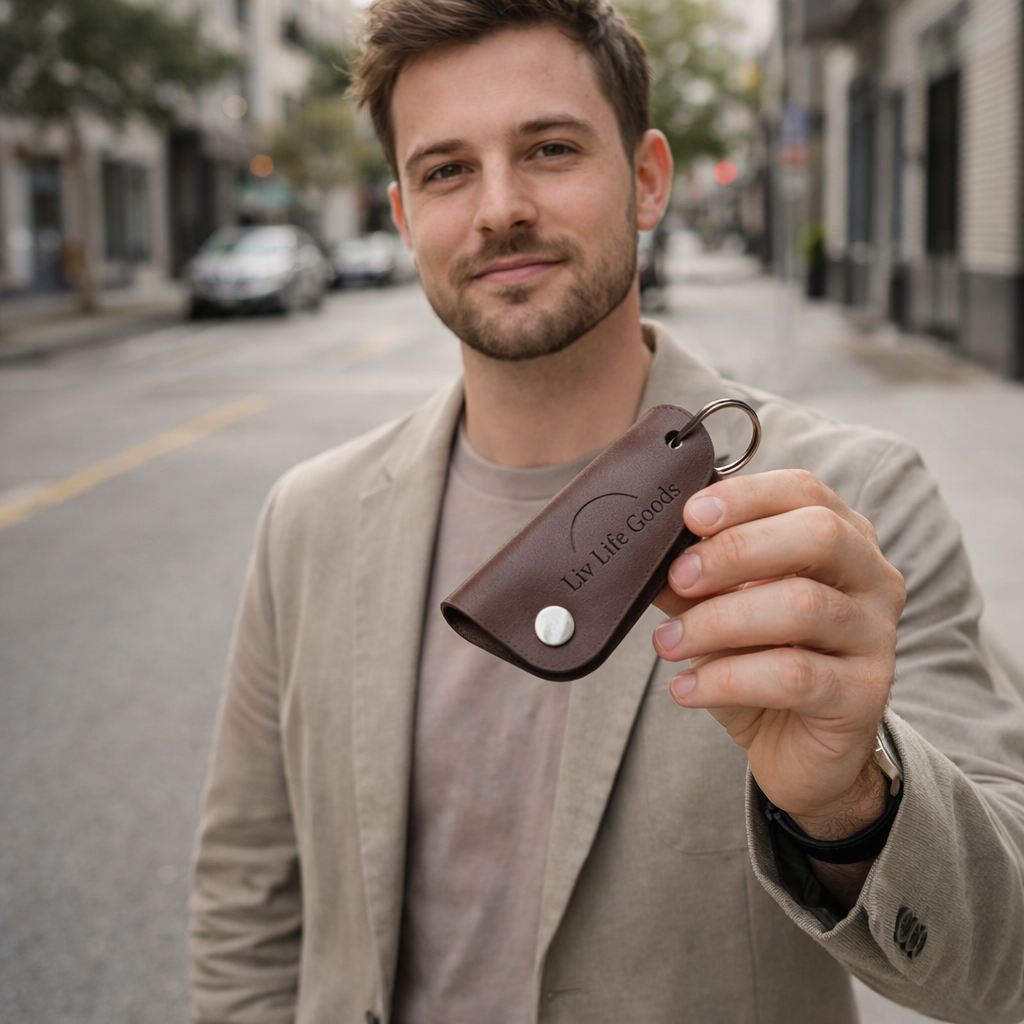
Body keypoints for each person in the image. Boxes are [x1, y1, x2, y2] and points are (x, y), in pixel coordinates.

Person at [188, 2, 1024, 1022]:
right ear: (402, 215)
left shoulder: (848, 503)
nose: (499, 207)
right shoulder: (306, 521)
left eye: (547, 148)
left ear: (646, 179)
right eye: (446, 169)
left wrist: (847, 800)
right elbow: (246, 902)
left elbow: (998, 957)